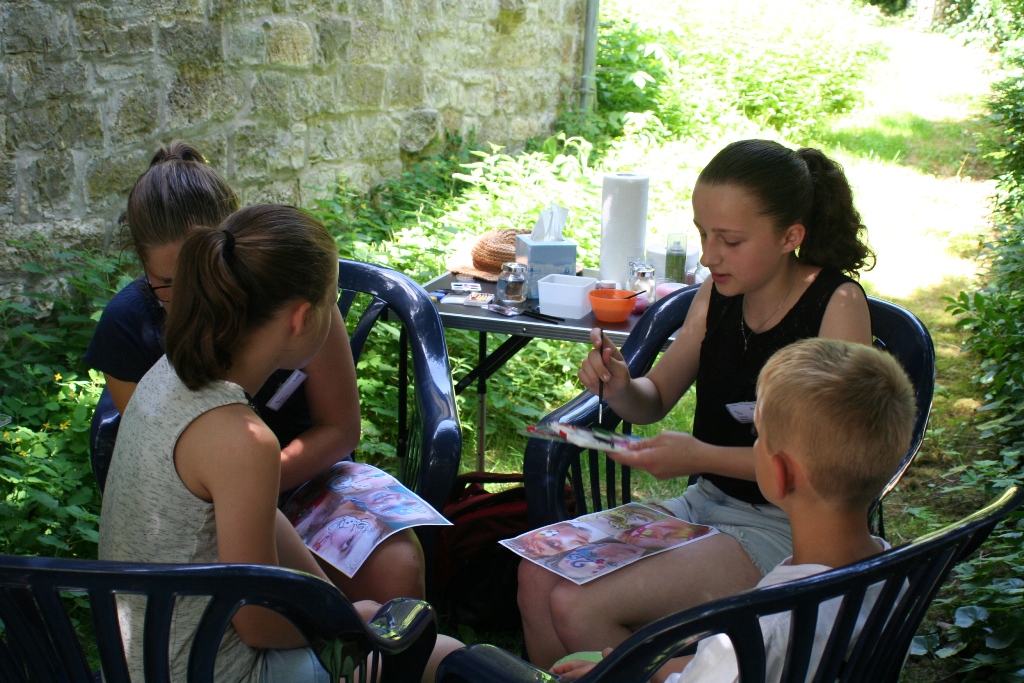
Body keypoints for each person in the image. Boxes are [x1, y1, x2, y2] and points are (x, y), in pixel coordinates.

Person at [519, 138, 876, 667]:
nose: (709, 256)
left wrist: (698, 456)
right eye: (704, 234)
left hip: (789, 527)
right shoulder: (717, 293)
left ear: (789, 237)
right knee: (538, 573)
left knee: (576, 603)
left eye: (729, 240)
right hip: (704, 506)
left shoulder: (836, 306)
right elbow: (656, 397)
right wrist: (620, 387)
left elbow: (828, 467)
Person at [98, 205, 461, 682]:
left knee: (380, 621)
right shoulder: (241, 439)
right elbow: (259, 624)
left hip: (144, 661)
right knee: (434, 656)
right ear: (302, 317)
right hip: (216, 669)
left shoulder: (167, 378)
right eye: (331, 299)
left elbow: (261, 520)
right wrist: (347, 624)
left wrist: (338, 608)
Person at [84, 141, 424, 603]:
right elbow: (158, 461)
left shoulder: (287, 299)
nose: (194, 296)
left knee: (395, 567)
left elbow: (340, 427)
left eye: (207, 268)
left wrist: (258, 482)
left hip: (289, 477)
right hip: (210, 497)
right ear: (143, 268)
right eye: (169, 284)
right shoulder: (131, 329)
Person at [552, 337, 917, 682]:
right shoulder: (893, 574)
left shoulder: (759, 626)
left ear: (780, 473)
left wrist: (618, 675)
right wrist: (645, 665)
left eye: (758, 437)